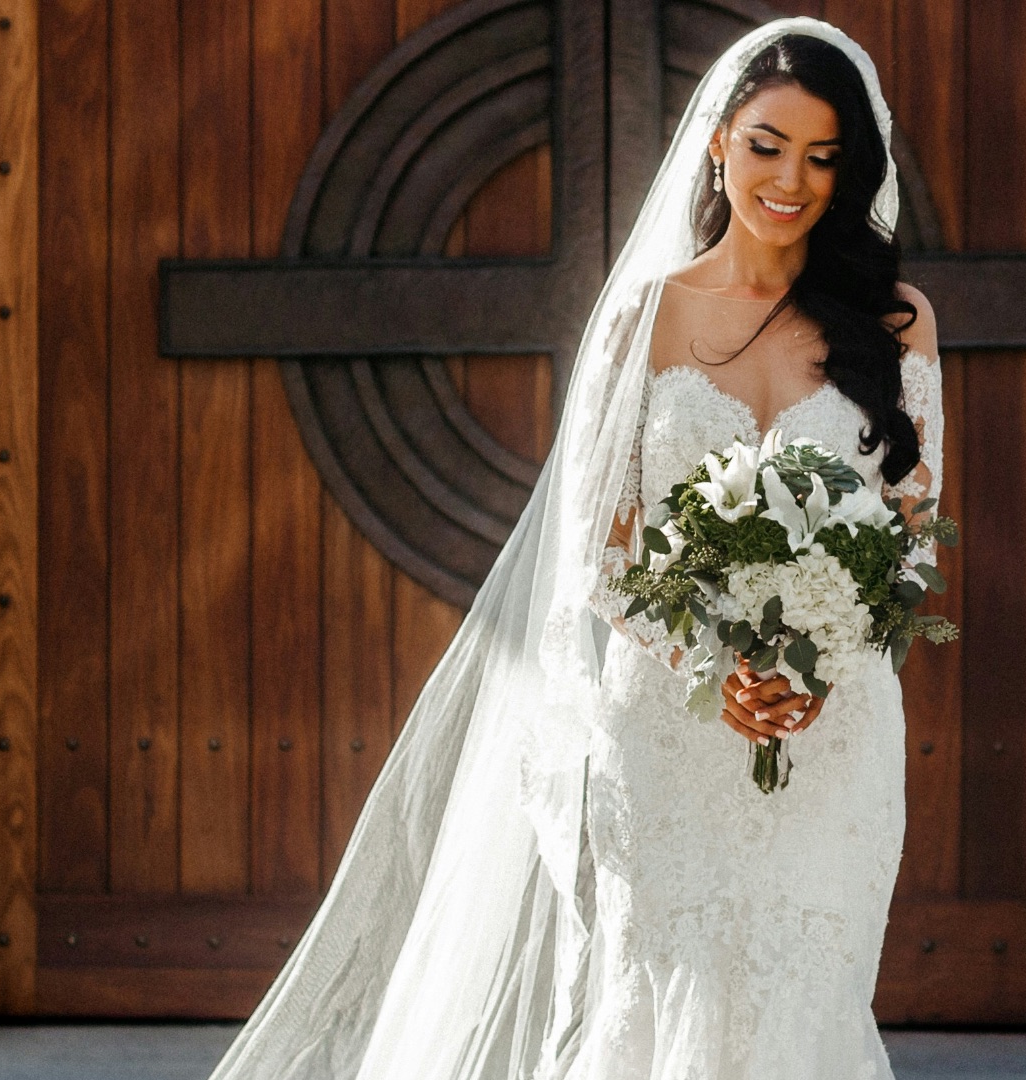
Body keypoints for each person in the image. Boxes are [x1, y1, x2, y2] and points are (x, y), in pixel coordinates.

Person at [207, 18, 942, 1080]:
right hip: (673, 737)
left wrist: (817, 663)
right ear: (719, 142)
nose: (793, 180)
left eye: (826, 158)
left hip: (836, 736)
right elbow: (598, 557)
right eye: (771, 145)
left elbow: (912, 534)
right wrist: (717, 667)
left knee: (808, 1005)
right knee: (659, 1004)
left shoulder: (898, 320)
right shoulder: (646, 318)